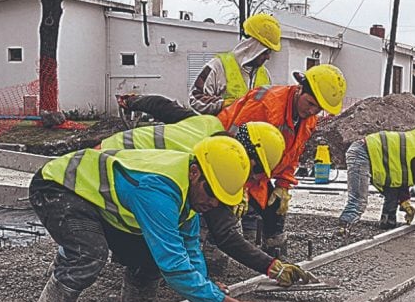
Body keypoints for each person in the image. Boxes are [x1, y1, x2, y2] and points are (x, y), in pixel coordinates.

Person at [26, 137, 280, 302]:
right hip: (59, 186)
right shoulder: (159, 191)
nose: (213, 203)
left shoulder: (188, 190)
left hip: (99, 200)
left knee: (152, 249)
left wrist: (206, 284)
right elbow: (174, 266)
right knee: (89, 254)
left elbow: (188, 246)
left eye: (220, 200)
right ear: (195, 172)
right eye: (211, 192)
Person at [98, 115, 310, 288]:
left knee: (174, 235)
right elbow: (224, 233)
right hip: (108, 171)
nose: (254, 179)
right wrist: (272, 267)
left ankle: (146, 292)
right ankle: (138, 299)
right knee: (157, 241)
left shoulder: (213, 135)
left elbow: (168, 108)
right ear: (247, 154)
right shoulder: (208, 161)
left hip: (113, 161)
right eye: (256, 172)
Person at [217, 64, 347, 253]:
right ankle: (213, 261)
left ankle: (274, 257)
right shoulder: (267, 105)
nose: (312, 111)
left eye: (318, 109)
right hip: (227, 165)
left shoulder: (308, 119)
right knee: (220, 216)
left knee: (275, 209)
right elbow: (235, 145)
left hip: (258, 170)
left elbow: (293, 153)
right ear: (300, 89)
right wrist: (239, 186)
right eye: (310, 103)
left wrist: (283, 185)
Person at [118, 13, 282, 123]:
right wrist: (225, 104)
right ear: (252, 47)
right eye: (265, 52)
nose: (268, 57)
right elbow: (196, 98)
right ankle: (132, 102)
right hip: (215, 136)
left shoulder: (264, 75)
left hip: (251, 142)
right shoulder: (219, 66)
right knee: (162, 106)